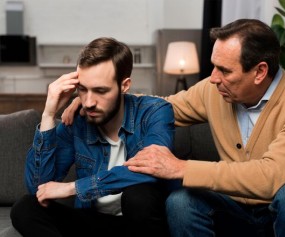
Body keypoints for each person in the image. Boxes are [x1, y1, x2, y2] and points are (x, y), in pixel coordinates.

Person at [62, 19, 285, 237]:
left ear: (260, 72)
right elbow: (159, 108)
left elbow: (271, 176)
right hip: (238, 210)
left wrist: (181, 167)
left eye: (225, 70)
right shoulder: (213, 91)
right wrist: (96, 100)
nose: (213, 78)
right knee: (181, 201)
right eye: (213, 67)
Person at [10, 37, 175, 237]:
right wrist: (49, 114)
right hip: (93, 222)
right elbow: (39, 188)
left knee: (138, 194)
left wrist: (74, 188)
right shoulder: (77, 121)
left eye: (100, 91)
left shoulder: (155, 111)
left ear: (124, 86)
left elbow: (153, 168)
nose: (88, 102)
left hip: (141, 225)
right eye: (83, 89)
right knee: (25, 207)